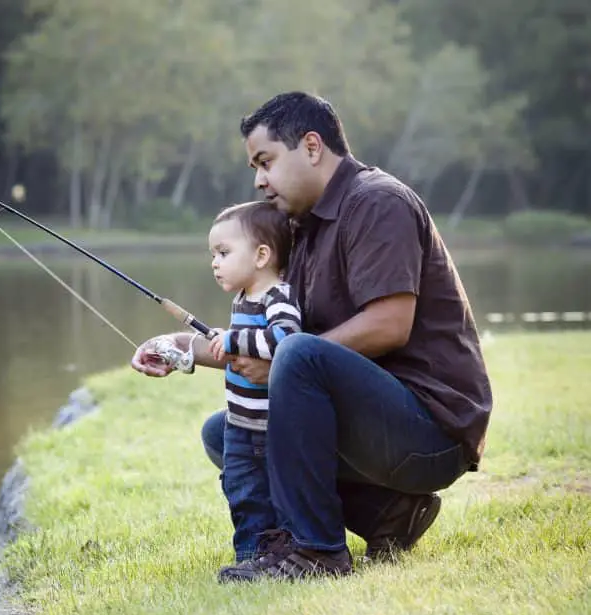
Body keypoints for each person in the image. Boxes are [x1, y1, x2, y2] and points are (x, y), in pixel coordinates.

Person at [132, 91, 492, 583]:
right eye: (254, 167)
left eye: (266, 161)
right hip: (375, 425)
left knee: (296, 355)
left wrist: (284, 362)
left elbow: (389, 324)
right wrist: (177, 348)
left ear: (312, 146)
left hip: (432, 431)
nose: (259, 180)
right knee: (228, 432)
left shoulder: (377, 202)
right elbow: (263, 342)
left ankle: (319, 554)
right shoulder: (303, 228)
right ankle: (386, 514)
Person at [206, 201, 301, 564]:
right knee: (241, 488)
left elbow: (285, 341)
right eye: (213, 254)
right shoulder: (243, 298)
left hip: (268, 425)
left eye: (224, 252)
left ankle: (272, 552)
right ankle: (250, 554)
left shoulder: (279, 297)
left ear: (261, 255)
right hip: (239, 420)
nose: (215, 262)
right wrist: (224, 338)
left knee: (267, 490)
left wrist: (232, 340)